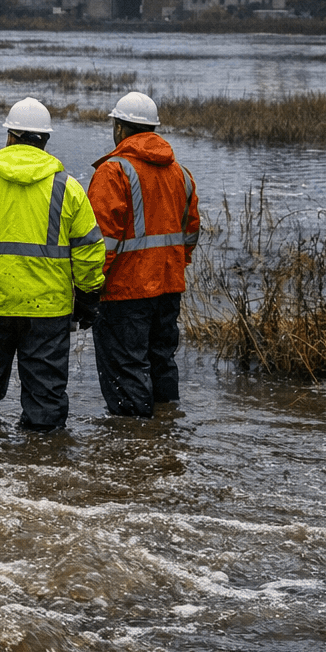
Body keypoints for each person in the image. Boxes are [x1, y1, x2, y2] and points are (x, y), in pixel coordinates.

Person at [0, 97, 106, 431]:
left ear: (10, 136)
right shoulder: (67, 188)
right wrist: (87, 298)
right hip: (48, 311)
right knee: (46, 398)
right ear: (44, 141)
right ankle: (43, 466)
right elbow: (89, 251)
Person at [87, 91, 201, 418]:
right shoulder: (180, 172)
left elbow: (101, 243)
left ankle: (135, 446)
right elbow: (190, 232)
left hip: (125, 292)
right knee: (162, 361)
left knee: (127, 368)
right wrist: (174, 267)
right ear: (152, 129)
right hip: (169, 287)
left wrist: (88, 289)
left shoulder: (113, 171)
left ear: (121, 129)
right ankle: (165, 428)